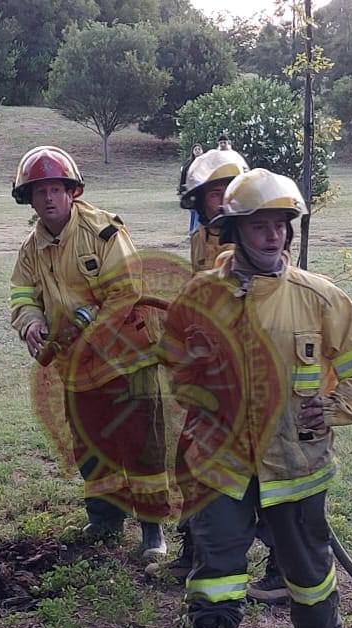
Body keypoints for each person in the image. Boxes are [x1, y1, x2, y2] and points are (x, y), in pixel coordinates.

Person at [160, 169, 352, 628]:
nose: (273, 236)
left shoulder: (318, 297)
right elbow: (174, 359)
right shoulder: (200, 295)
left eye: (281, 225)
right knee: (217, 560)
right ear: (234, 233)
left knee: (303, 563)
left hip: (294, 460)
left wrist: (336, 407)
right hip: (220, 458)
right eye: (260, 226)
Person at [8, 146, 171, 558]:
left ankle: (153, 530)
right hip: (76, 369)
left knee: (141, 443)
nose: (48, 198)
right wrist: (31, 323)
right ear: (28, 198)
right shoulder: (31, 249)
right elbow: (22, 294)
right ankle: (104, 520)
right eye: (39, 191)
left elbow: (126, 290)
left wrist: (88, 336)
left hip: (127, 359)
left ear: (72, 191)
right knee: (91, 445)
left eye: (55, 189)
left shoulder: (102, 232)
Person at [146, 142, 290, 604]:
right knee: (192, 462)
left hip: (257, 380)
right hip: (212, 378)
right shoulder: (201, 239)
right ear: (199, 202)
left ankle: (282, 566)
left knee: (263, 473)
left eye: (231, 188)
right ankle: (195, 548)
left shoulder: (261, 237)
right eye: (214, 193)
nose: (224, 198)